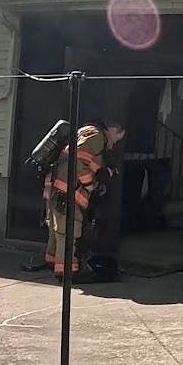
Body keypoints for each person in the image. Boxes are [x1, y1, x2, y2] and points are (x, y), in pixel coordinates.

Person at [43, 120, 125, 280]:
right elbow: (78, 160)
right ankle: (67, 272)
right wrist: (88, 185)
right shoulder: (97, 137)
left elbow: (87, 161)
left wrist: (103, 173)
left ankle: (52, 261)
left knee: (57, 230)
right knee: (69, 231)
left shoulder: (86, 132)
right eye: (118, 138)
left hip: (56, 187)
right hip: (69, 191)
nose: (115, 143)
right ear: (114, 130)